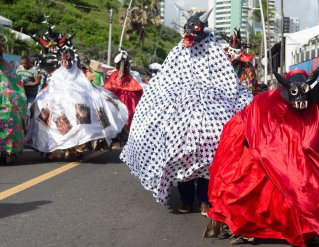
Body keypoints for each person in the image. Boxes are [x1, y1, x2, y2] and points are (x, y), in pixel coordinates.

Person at [204, 64, 319, 247]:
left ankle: (308, 232)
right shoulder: (266, 101)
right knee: (251, 190)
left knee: (308, 192)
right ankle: (249, 227)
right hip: (269, 157)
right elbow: (250, 119)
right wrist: (254, 141)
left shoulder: (317, 108)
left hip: (296, 160)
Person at [119, 9, 252, 215]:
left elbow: (227, 82)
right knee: (179, 151)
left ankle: (205, 199)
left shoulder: (214, 50)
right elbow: (165, 78)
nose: (189, 37)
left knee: (212, 149)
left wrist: (208, 93)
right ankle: (186, 198)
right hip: (180, 109)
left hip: (211, 107)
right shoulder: (179, 50)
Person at [26, 25, 129, 160]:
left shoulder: (79, 75)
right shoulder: (57, 75)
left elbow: (86, 89)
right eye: (62, 61)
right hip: (58, 108)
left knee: (82, 116)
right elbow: (51, 89)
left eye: (67, 61)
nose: (65, 63)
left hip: (75, 109)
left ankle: (77, 149)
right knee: (42, 111)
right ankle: (53, 147)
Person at [0, 34, 27, 164]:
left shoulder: (7, 67)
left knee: (11, 116)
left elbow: (16, 85)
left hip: (6, 100)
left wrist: (10, 93)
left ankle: (6, 152)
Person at [104, 50, 143, 135]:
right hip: (132, 102)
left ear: (116, 65)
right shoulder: (133, 77)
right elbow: (140, 92)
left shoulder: (113, 76)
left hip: (119, 102)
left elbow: (106, 90)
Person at [220, 28, 259, 95]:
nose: (232, 54)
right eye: (231, 51)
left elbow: (252, 83)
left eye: (235, 51)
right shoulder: (221, 61)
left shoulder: (247, 66)